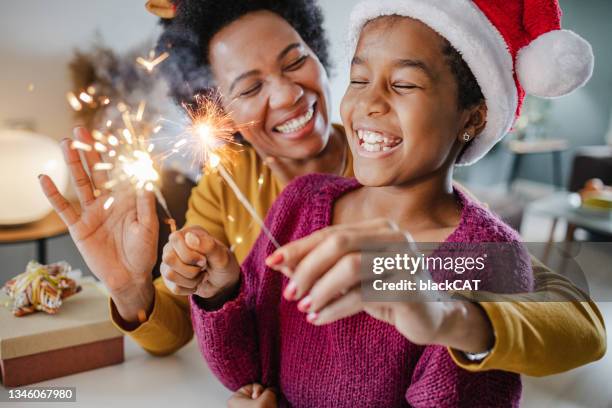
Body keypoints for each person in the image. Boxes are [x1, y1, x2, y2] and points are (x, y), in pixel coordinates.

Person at [38, 0, 604, 404]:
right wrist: (198, 289)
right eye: (250, 86)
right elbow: (243, 361)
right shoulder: (297, 200)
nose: (286, 95)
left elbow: (571, 316)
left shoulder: (469, 250)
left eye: (293, 62)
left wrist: (445, 312)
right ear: (219, 109)